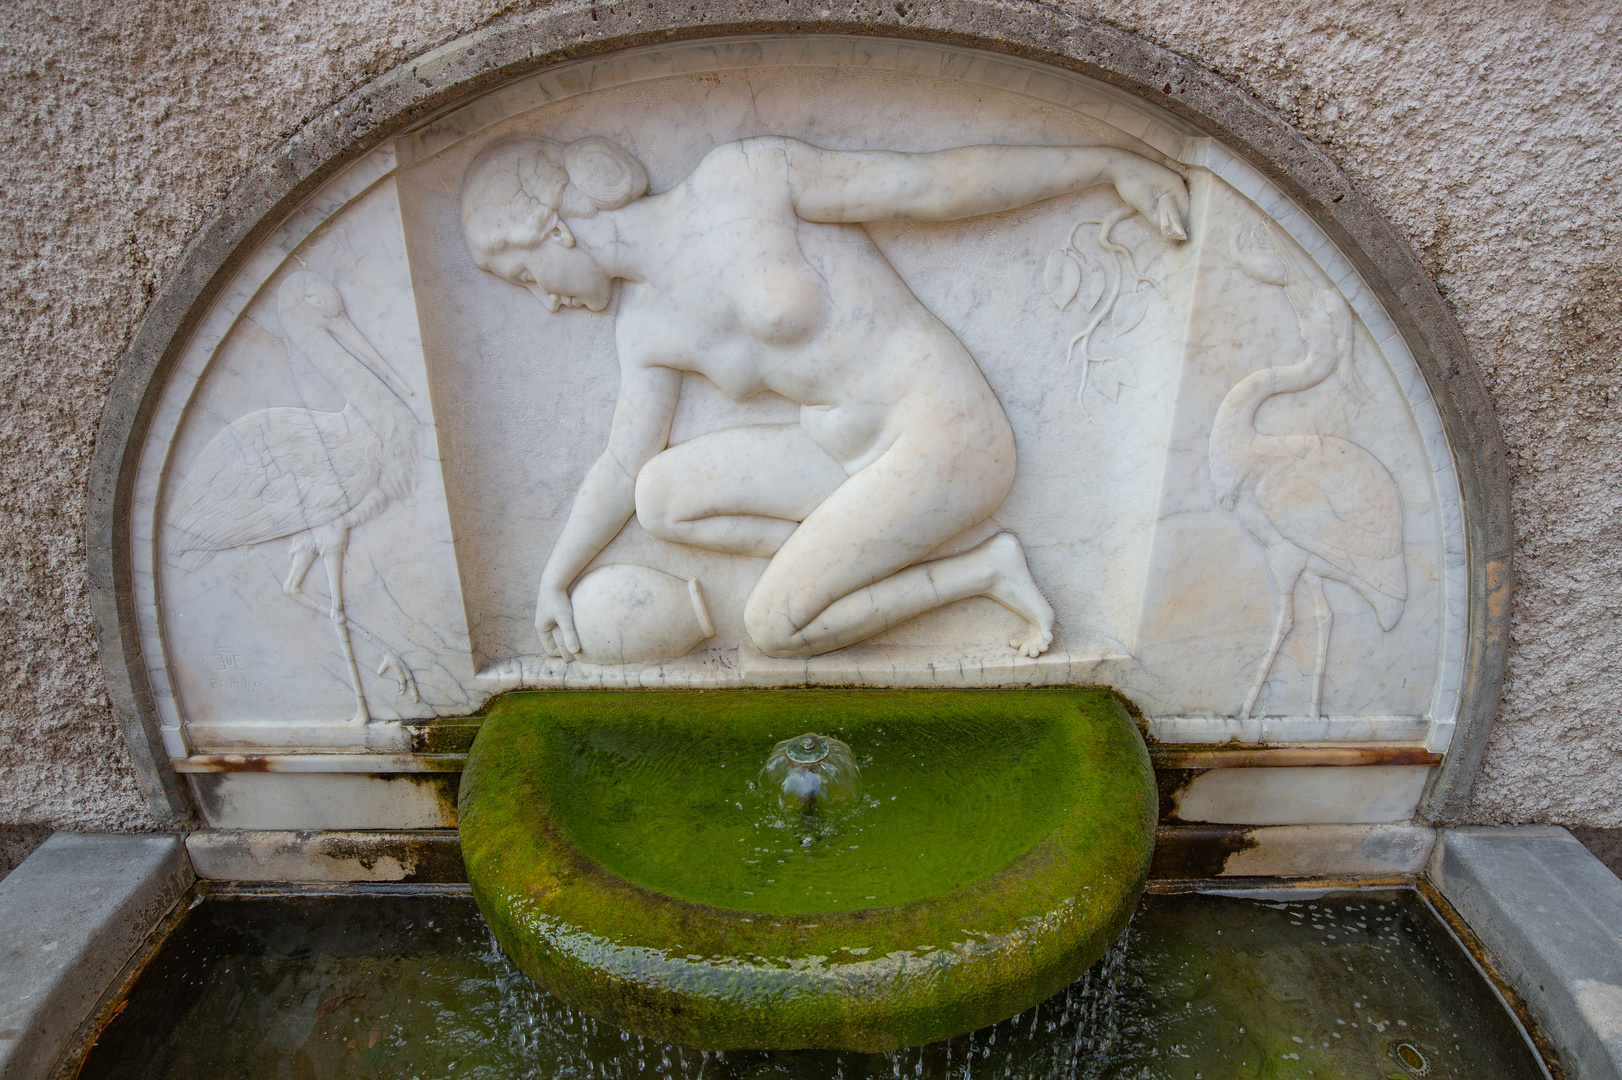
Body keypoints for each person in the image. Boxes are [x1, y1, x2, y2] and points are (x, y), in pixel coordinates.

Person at [462, 134, 1189, 660]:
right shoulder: (645, 327)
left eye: (527, 275)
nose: (545, 301)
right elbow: (622, 466)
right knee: (658, 495)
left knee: (774, 628)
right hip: (839, 453)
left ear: (555, 230)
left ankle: (982, 570)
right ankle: (839, 558)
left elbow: (927, 187)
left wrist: (1105, 162)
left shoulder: (740, 181)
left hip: (940, 435)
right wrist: (554, 579)